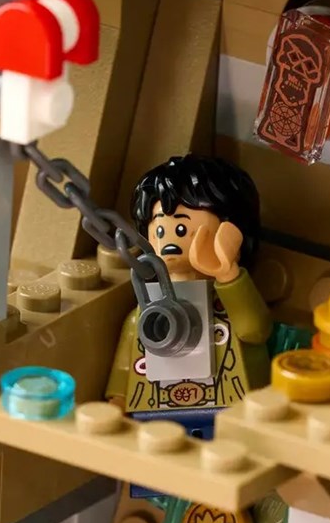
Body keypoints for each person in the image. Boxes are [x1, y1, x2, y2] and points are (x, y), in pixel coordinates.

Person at [105, 155, 272, 437]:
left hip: (233, 412)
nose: (169, 239)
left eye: (181, 228)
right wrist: (118, 401)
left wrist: (228, 275)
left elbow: (254, 329)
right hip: (155, 415)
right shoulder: (145, 317)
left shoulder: (229, 304)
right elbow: (125, 368)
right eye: (160, 229)